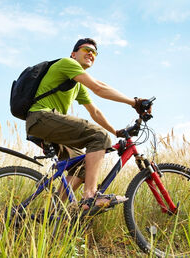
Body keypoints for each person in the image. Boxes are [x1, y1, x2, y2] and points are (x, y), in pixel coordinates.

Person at [26, 38, 148, 212]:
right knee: (99, 136)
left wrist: (116, 131)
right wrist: (134, 102)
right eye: (86, 49)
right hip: (41, 117)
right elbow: (99, 87)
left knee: (83, 167)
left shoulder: (76, 84)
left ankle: (52, 212)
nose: (91, 53)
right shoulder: (66, 63)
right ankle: (90, 196)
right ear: (74, 54)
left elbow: (95, 112)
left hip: (44, 124)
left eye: (95, 52)